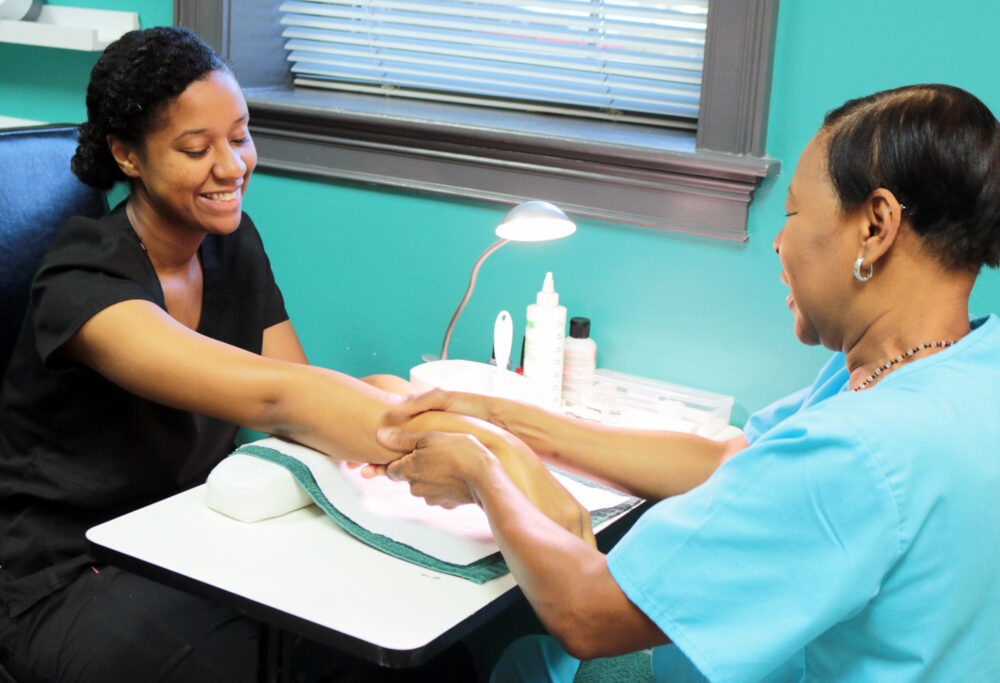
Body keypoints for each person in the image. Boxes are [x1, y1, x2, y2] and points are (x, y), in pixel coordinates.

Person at [0, 26, 590, 683]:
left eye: (239, 135)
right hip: (57, 574)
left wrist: (388, 398)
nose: (232, 165)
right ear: (127, 155)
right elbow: (277, 398)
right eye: (196, 147)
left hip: (182, 539)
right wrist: (501, 462)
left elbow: (294, 396)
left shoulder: (230, 244)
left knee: (422, 662)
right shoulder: (83, 283)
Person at [376, 84, 1000, 681]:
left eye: (793, 213)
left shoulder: (860, 450)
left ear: (876, 225)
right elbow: (726, 459)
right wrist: (513, 418)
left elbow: (588, 614)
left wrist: (484, 476)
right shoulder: (946, 363)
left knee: (522, 660)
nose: (779, 242)